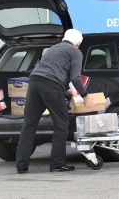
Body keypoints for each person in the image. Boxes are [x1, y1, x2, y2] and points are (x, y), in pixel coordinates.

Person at [16, 29, 94, 173]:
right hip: (51, 84)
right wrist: (85, 95)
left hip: (34, 82)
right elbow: (75, 78)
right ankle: (57, 164)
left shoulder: (53, 49)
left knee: (29, 124)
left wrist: (70, 97)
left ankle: (21, 165)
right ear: (78, 43)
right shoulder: (75, 52)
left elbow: (48, 74)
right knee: (61, 124)